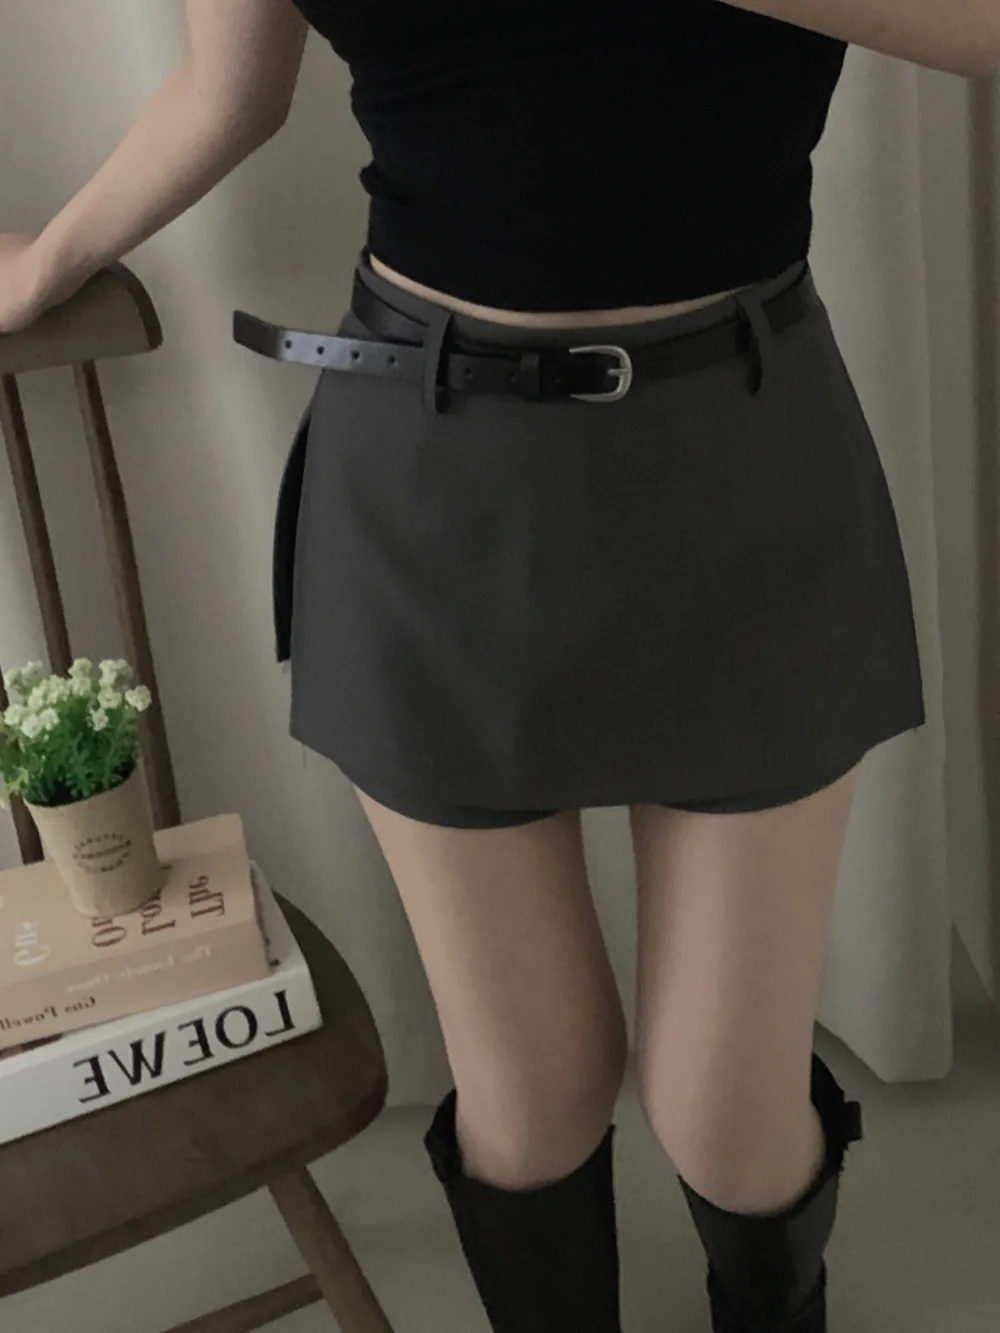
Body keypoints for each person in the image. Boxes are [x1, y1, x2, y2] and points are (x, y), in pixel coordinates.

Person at [1, 3, 995, 1330]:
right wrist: (51, 255)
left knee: (726, 1115)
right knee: (536, 1091)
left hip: (744, 462)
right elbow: (228, 91)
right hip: (433, 469)